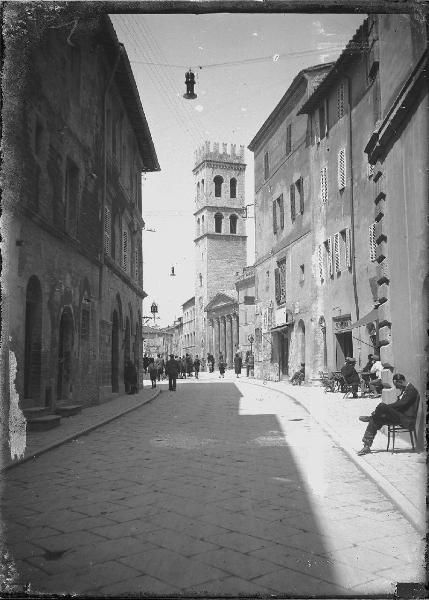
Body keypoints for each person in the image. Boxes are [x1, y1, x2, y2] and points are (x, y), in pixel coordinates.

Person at [357, 373, 419, 456]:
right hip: (399, 417)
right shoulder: (404, 390)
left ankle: (371, 417)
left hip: (406, 419)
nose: (397, 388)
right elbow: (398, 405)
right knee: (376, 419)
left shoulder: (411, 389)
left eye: (397, 385)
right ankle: (366, 446)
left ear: (401, 381)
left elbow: (401, 404)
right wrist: (386, 410)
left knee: (382, 406)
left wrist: (387, 408)